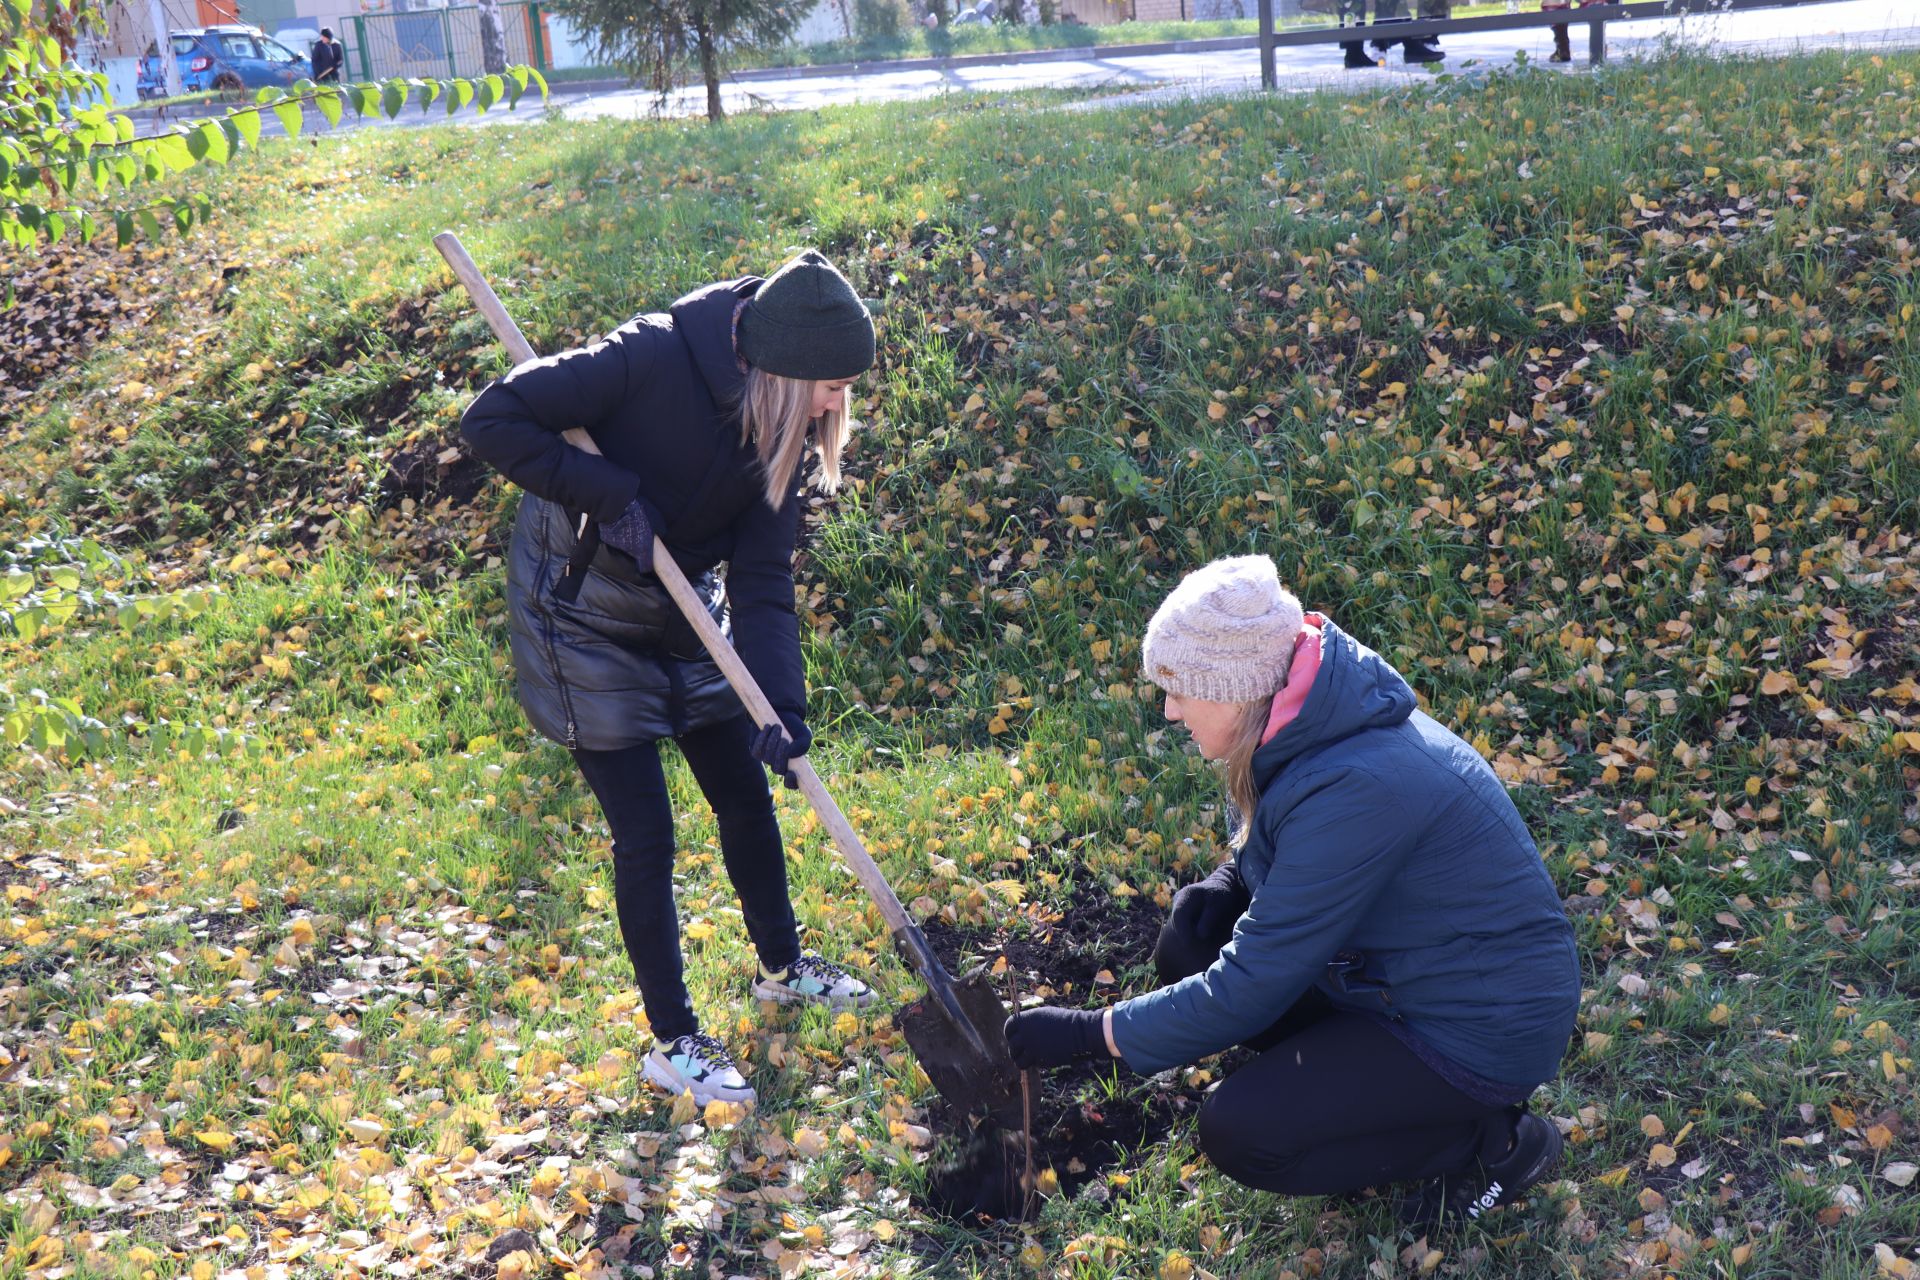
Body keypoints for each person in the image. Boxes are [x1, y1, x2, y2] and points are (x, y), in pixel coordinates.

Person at [1003, 556, 1579, 1232]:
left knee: (1244, 1130)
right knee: (1192, 942)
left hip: (1478, 1027)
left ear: (1235, 689)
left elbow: (1251, 985)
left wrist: (1086, 1034)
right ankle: (1368, 1100)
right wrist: (1230, 883)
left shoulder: (1360, 786)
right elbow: (1282, 857)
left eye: (1181, 690)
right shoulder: (1296, 724)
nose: (1169, 709)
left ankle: (1492, 1143)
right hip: (1399, 980)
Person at [460, 251, 881, 1107]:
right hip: (580, 613)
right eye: (832, 385)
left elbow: (763, 581)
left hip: (687, 611)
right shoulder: (648, 358)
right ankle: (674, 1040)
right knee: (647, 833)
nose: (840, 405)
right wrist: (605, 491)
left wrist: (782, 708)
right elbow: (494, 418)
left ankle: (782, 964)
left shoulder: (787, 435)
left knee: (743, 790)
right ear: (783, 369)